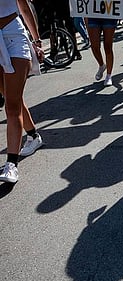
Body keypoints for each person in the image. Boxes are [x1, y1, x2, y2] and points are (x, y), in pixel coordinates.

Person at [0, 0, 45, 183]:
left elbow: (24, 7)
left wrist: (36, 40)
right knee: (13, 98)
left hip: (14, 37)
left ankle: (11, 164)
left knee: (11, 105)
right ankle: (34, 136)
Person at [86, 15, 118, 86]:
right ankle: (101, 65)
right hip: (93, 15)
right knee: (94, 45)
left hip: (109, 14)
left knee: (108, 46)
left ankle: (109, 75)